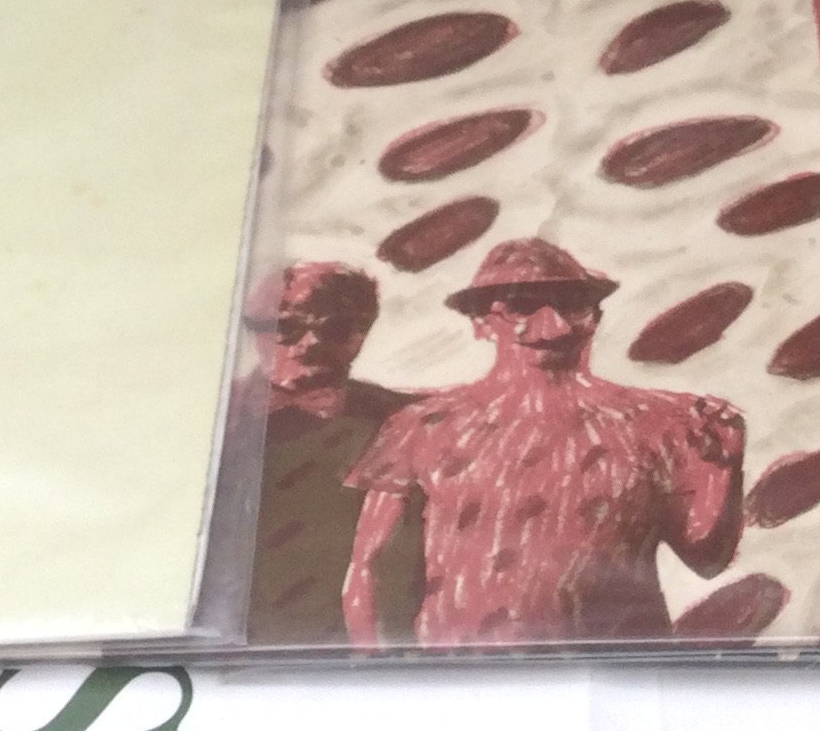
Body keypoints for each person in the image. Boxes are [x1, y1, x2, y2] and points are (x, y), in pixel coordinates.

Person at [341, 238, 744, 647]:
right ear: (480, 323)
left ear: (595, 317)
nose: (555, 326)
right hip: (465, 665)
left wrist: (721, 468)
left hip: (614, 662)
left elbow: (708, 559)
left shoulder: (663, 422)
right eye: (522, 307)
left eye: (572, 305)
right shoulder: (424, 425)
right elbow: (368, 567)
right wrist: (373, 665)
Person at [239, 261, 414, 641]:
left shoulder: (402, 418)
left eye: (335, 328)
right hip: (233, 634)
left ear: (362, 333)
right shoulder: (211, 414)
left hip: (352, 638)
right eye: (286, 327)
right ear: (255, 329)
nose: (310, 344)